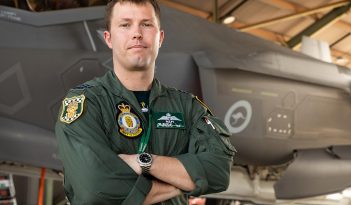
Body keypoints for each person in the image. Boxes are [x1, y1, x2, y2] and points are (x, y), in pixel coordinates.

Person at [55, 0, 236, 204]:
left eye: (146, 24)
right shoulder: (86, 103)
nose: (137, 33)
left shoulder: (188, 107)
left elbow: (218, 171)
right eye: (125, 25)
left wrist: (145, 162)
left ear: (160, 37)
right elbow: (95, 190)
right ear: (109, 38)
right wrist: (182, 181)